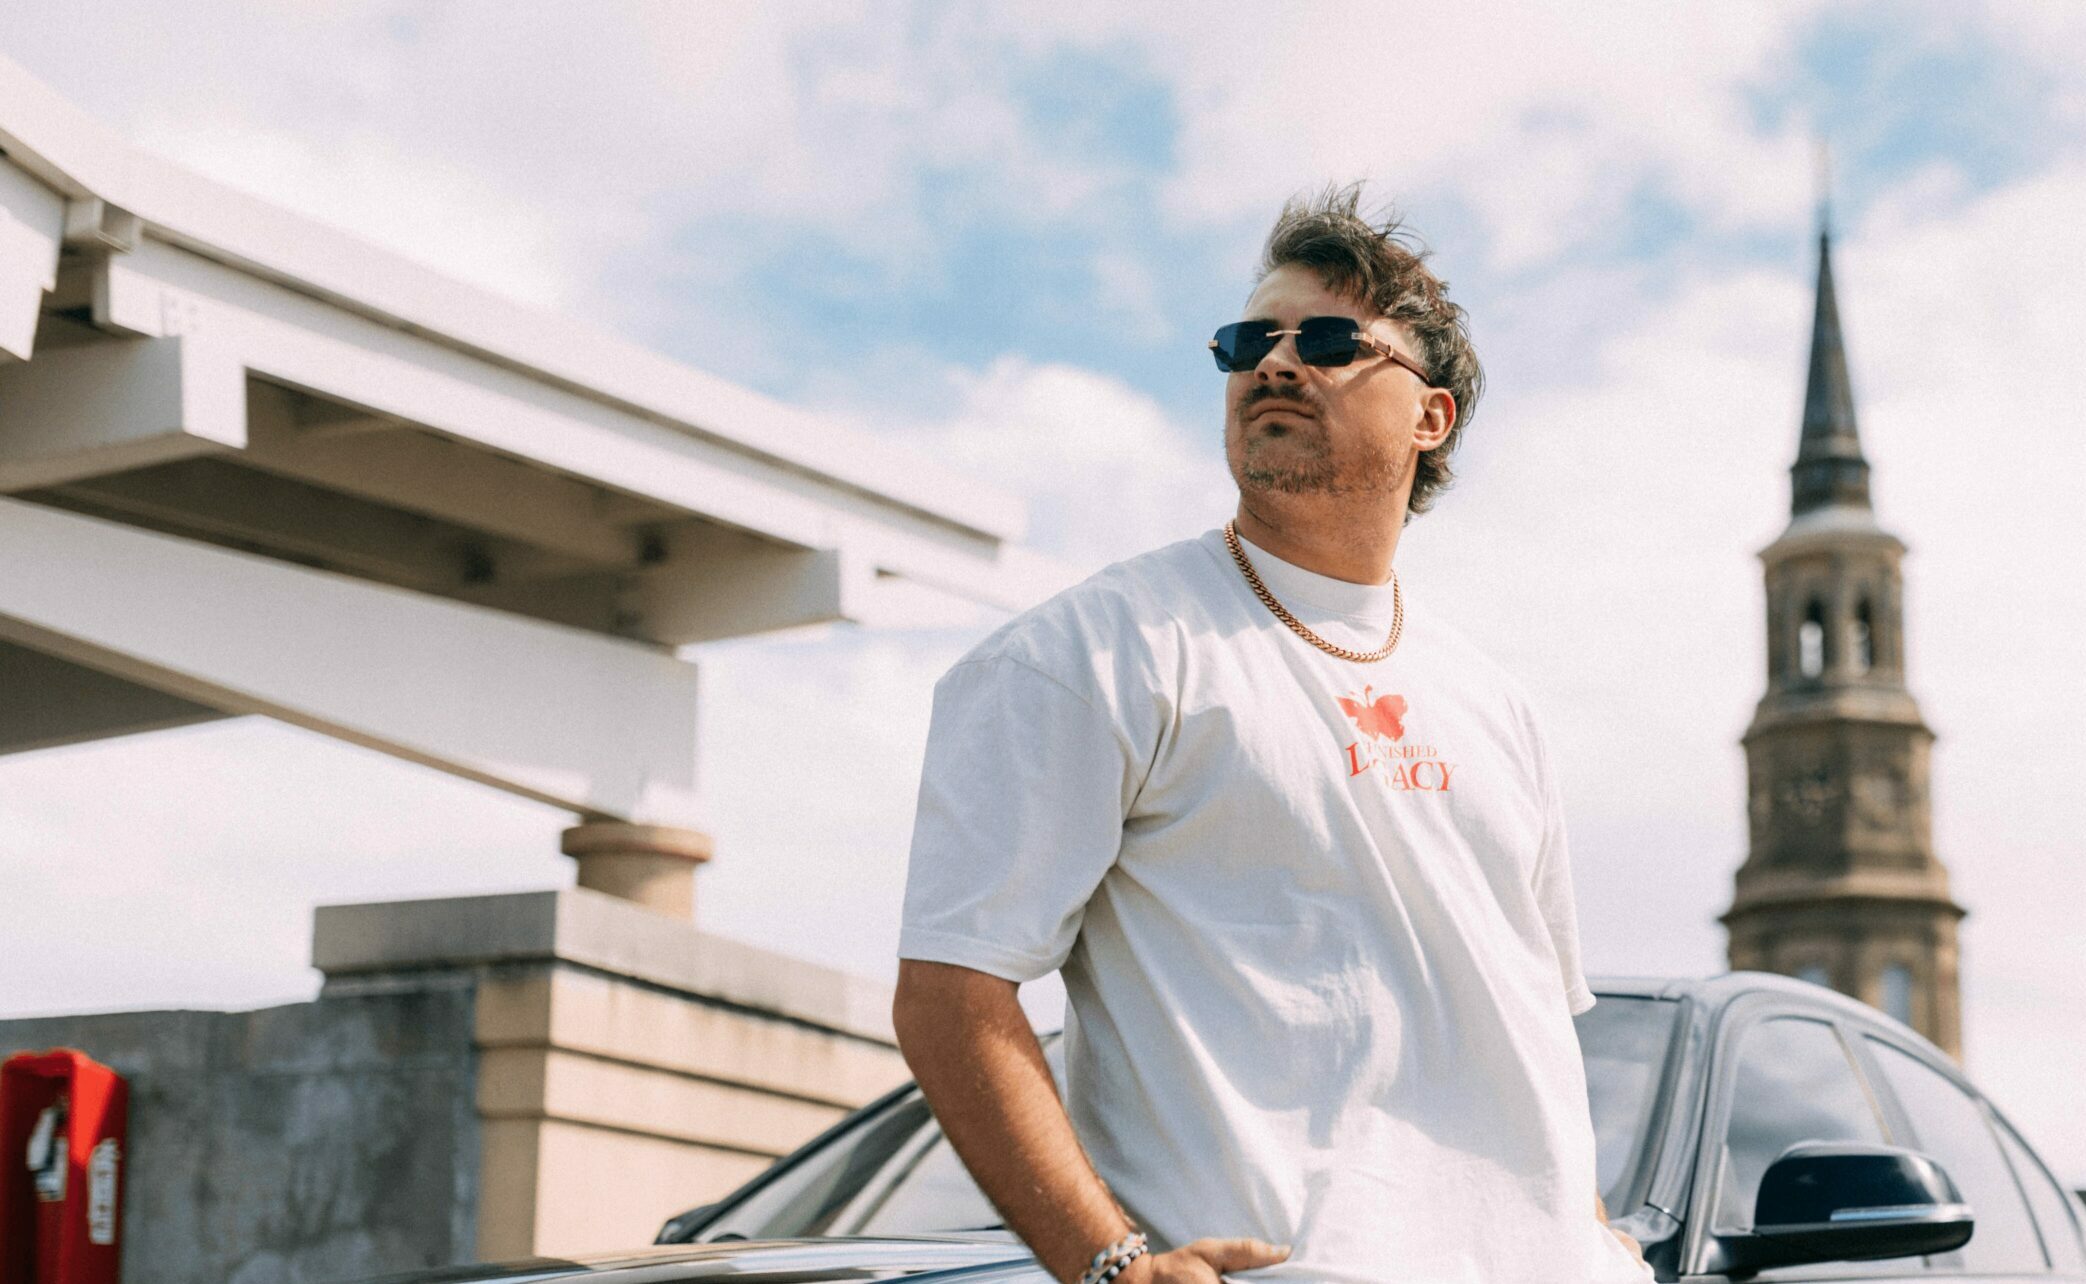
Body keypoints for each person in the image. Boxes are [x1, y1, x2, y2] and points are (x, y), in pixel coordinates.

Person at [892, 184, 1653, 1284]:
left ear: (1431, 417)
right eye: (1252, 342)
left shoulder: (1499, 708)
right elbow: (951, 995)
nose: (1279, 363)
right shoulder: (1089, 653)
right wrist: (1110, 1264)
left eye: (1332, 341)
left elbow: (1527, 1031)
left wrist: (1591, 1232)